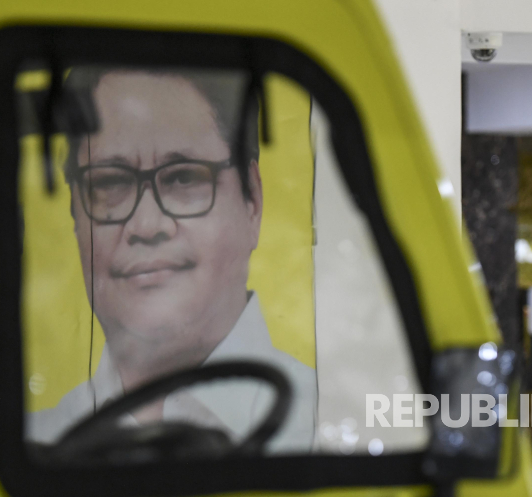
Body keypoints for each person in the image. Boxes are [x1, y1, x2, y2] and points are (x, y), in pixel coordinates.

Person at [26, 66, 317, 454]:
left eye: (183, 178)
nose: (146, 224)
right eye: (109, 183)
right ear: (75, 216)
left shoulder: (335, 429)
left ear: (253, 205)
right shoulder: (32, 449)